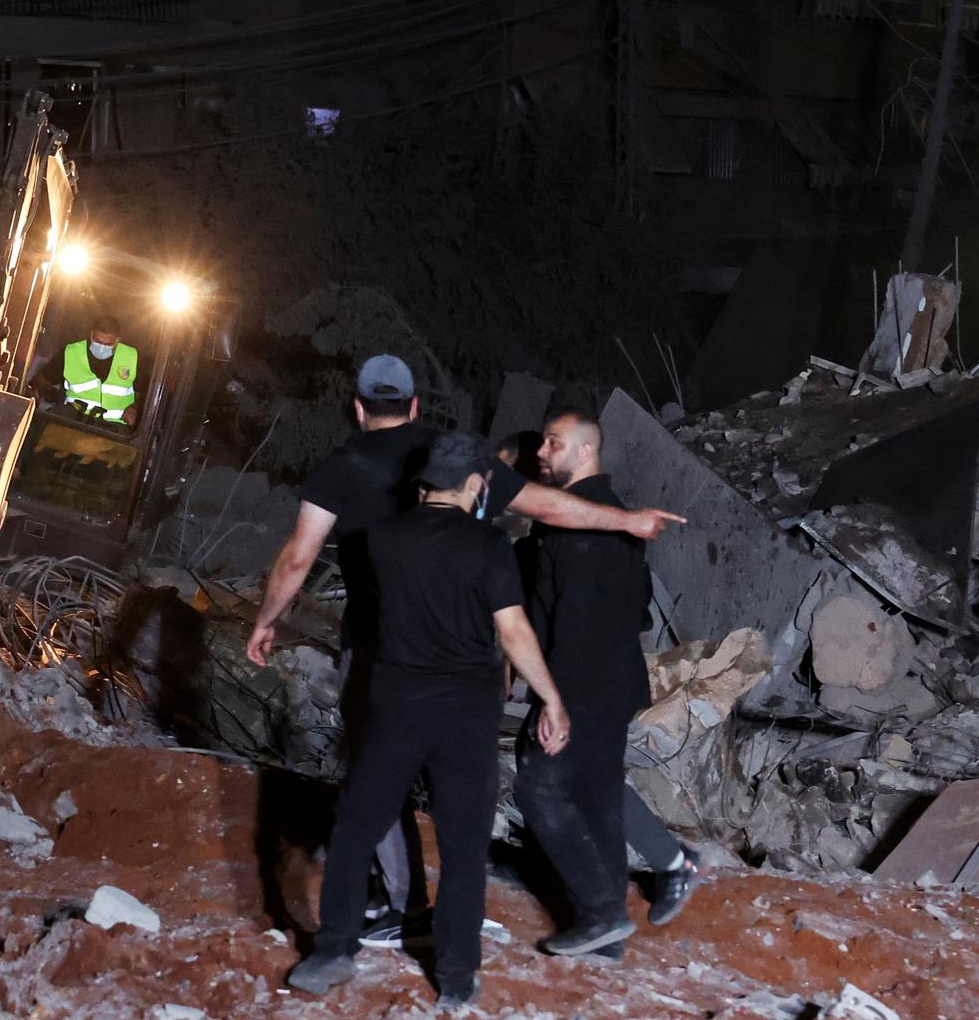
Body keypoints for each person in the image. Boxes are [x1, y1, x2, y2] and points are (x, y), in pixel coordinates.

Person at [246, 355, 684, 941]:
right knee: (465, 790)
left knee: (378, 775)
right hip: (466, 656)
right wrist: (625, 522)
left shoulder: (340, 467)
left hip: (383, 649)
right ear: (415, 406)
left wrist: (267, 620)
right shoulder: (454, 457)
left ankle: (401, 908)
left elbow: (299, 558)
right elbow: (546, 506)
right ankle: (460, 933)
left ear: (357, 408)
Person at [285, 432, 571, 1007]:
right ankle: (458, 981)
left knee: (357, 825)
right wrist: (553, 699)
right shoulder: (489, 545)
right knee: (464, 845)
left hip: (394, 705)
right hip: (466, 712)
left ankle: (333, 951)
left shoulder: (382, 539)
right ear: (472, 484)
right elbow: (512, 631)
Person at [496, 423, 703, 932]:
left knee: (543, 783)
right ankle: (649, 878)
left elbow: (580, 624)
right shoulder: (589, 518)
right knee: (594, 780)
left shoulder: (588, 523)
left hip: (588, 682)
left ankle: (612, 902)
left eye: (553, 443)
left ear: (587, 449)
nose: (543, 453)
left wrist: (553, 698)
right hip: (599, 679)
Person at [59, 314, 139, 426]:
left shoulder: (131, 357)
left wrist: (134, 409)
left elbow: (147, 393)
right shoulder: (71, 353)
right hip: (72, 422)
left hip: (115, 430)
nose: (101, 347)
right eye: (97, 341)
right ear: (91, 335)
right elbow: (42, 381)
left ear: (117, 341)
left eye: (108, 344)